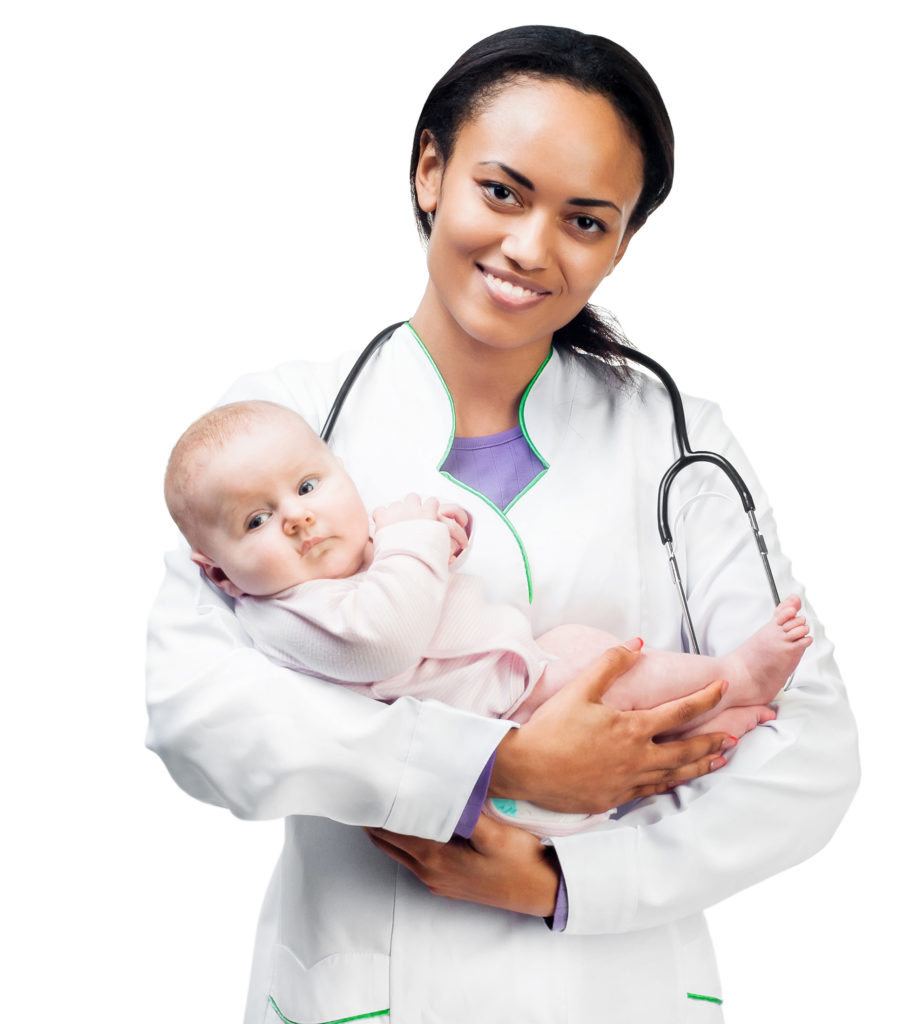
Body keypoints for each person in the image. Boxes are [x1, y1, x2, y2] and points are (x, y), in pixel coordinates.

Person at [146, 25, 858, 1023]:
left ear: (620, 243)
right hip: (371, 985)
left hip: (618, 984)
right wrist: (491, 765)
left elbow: (811, 750)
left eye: (586, 219)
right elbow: (201, 714)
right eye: (502, 191)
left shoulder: (680, 440)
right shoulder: (280, 429)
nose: (530, 247)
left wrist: (566, 879)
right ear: (431, 170)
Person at [163, 397, 812, 839]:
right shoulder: (286, 612)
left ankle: (699, 721)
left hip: (513, 675)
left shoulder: (339, 561)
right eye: (256, 520)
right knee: (608, 675)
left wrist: (438, 532)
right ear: (218, 573)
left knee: (594, 660)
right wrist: (414, 533)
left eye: (307, 487)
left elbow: (410, 570)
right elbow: (384, 636)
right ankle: (733, 676)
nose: (297, 517)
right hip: (495, 721)